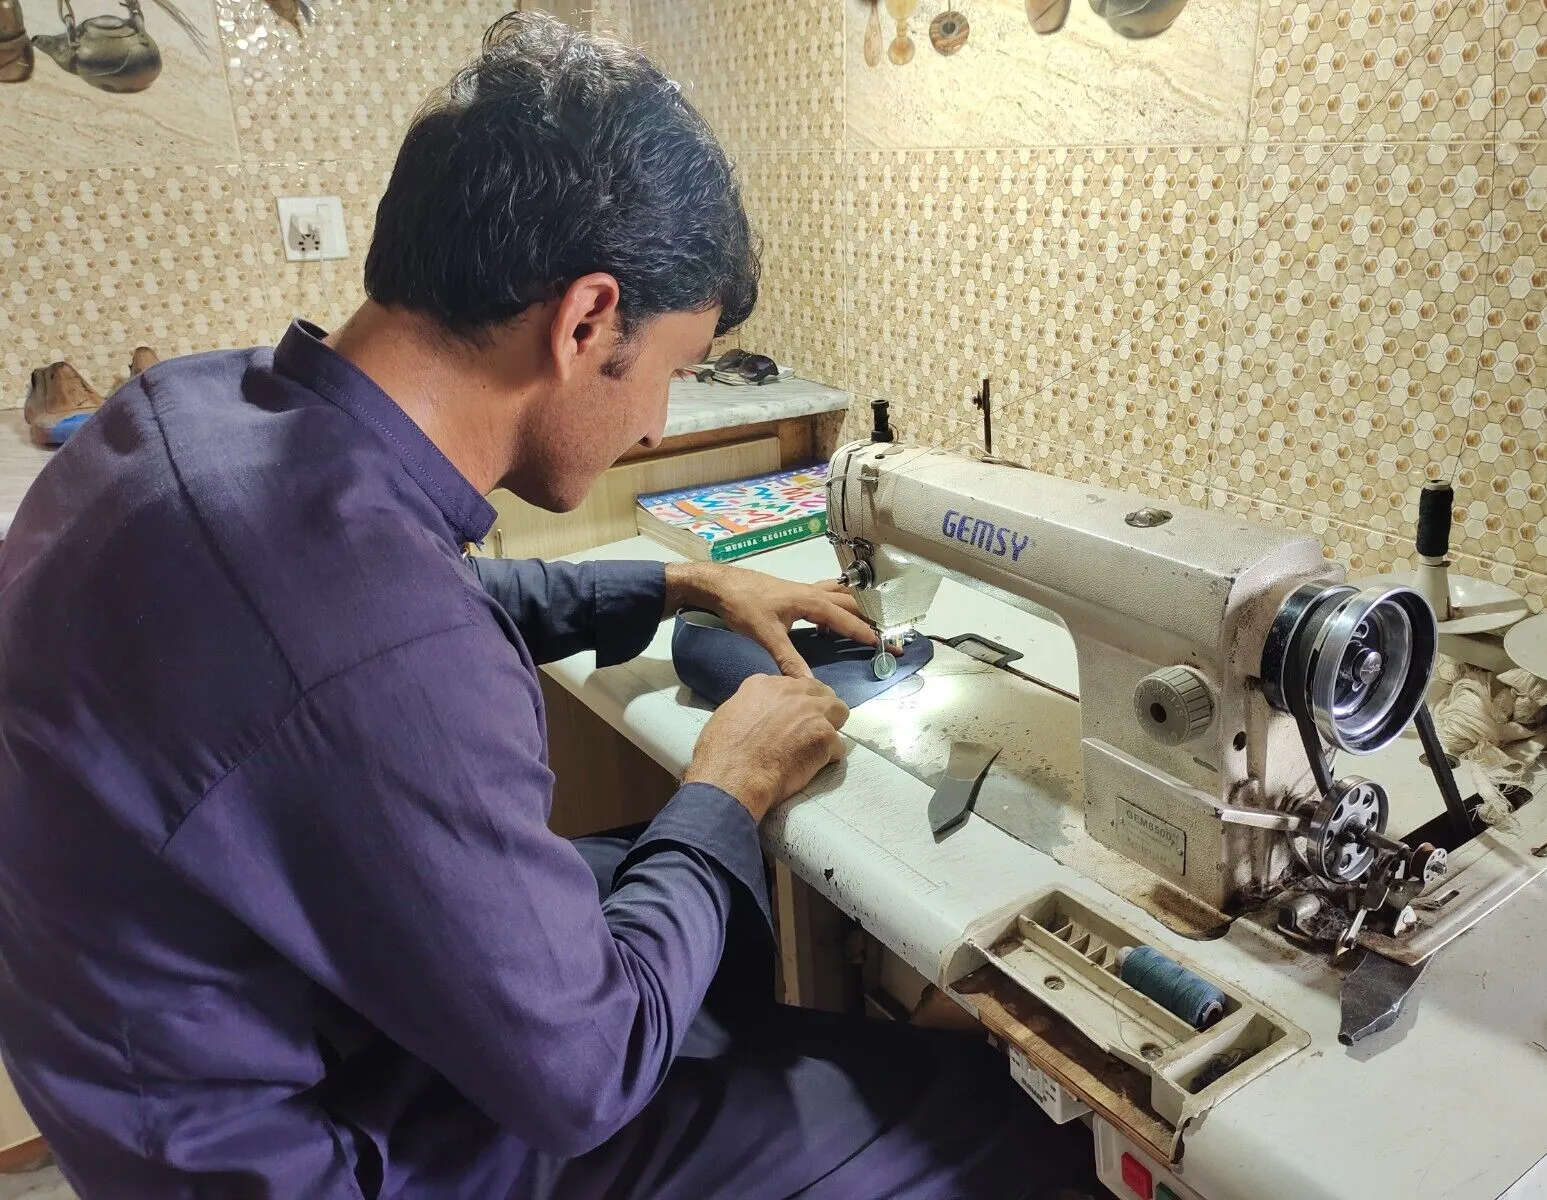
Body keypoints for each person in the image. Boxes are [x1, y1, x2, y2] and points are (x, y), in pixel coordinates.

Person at [0, 13, 1083, 1198]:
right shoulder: (374, 632)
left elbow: (407, 614)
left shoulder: (186, 416)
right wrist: (722, 785)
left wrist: (679, 578)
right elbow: (585, 1071)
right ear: (583, 322)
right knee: (975, 1121)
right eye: (670, 368)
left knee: (726, 919)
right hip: (306, 1149)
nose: (660, 424)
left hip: (169, 1054)